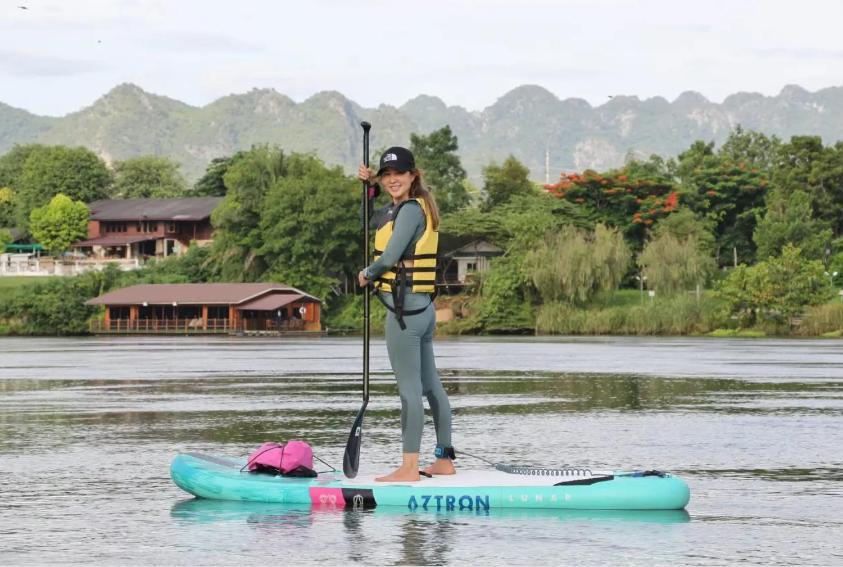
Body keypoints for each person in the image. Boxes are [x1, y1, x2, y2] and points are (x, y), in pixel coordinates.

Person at [357, 146, 456, 482]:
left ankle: (409, 467)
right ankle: (444, 460)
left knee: (409, 390)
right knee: (431, 387)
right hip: (422, 310)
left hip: (403, 312)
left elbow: (389, 257)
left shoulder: (410, 210)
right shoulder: (406, 208)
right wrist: (368, 189)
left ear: (413, 175)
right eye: (386, 175)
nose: (392, 180)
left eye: (399, 174)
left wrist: (367, 273)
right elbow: (371, 221)